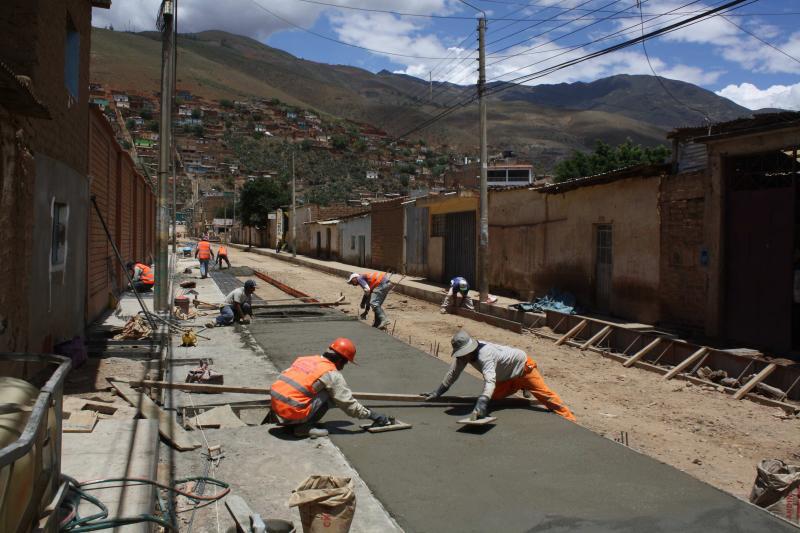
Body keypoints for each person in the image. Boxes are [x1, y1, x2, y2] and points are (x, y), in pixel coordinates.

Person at [422, 330, 576, 422]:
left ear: (470, 349)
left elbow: (490, 381)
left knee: (545, 395)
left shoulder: (485, 355)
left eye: (463, 354)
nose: (461, 357)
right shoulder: (464, 357)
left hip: (523, 368)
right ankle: (519, 386)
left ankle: (569, 418)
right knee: (493, 398)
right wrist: (438, 391)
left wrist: (482, 401)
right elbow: (453, 373)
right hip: (506, 376)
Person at [269, 338, 392, 438]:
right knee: (331, 395)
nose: (343, 367)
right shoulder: (331, 373)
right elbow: (347, 404)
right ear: (340, 360)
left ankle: (290, 421)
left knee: (315, 389)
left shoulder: (305, 359)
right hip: (292, 411)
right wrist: (373, 415)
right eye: (345, 363)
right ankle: (303, 427)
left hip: (276, 407)